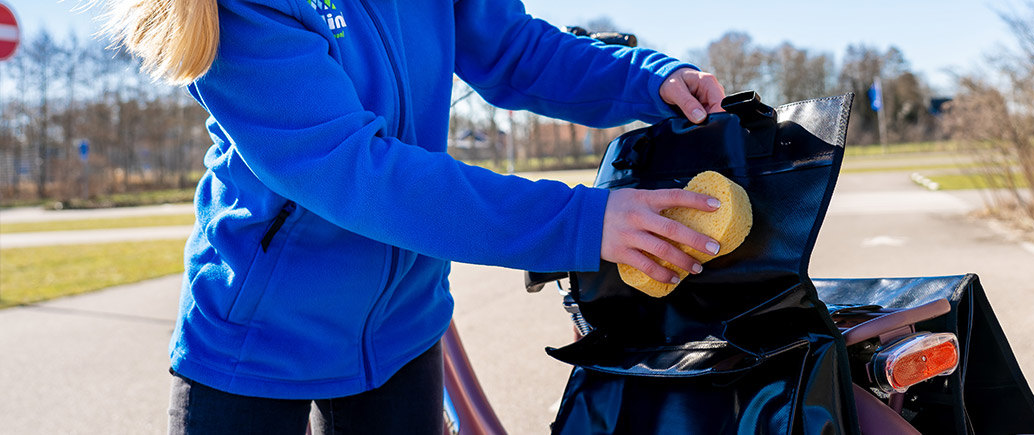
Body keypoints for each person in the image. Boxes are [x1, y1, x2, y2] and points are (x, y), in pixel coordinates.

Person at [101, 0, 727, 433]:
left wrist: (650, 79)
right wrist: (580, 222)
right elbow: (356, 172)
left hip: (405, 336)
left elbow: (514, 50)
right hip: (255, 350)